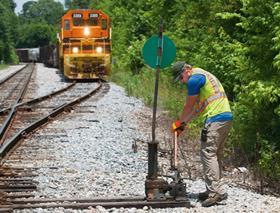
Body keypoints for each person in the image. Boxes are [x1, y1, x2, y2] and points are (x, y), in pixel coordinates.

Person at [171, 61, 233, 207]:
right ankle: (215, 189)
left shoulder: (194, 79)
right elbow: (197, 109)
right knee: (215, 154)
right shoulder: (202, 75)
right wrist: (182, 125)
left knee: (208, 153)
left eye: (181, 78)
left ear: (186, 70)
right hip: (226, 117)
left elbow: (189, 106)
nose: (182, 82)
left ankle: (215, 192)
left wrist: (178, 124)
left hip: (215, 118)